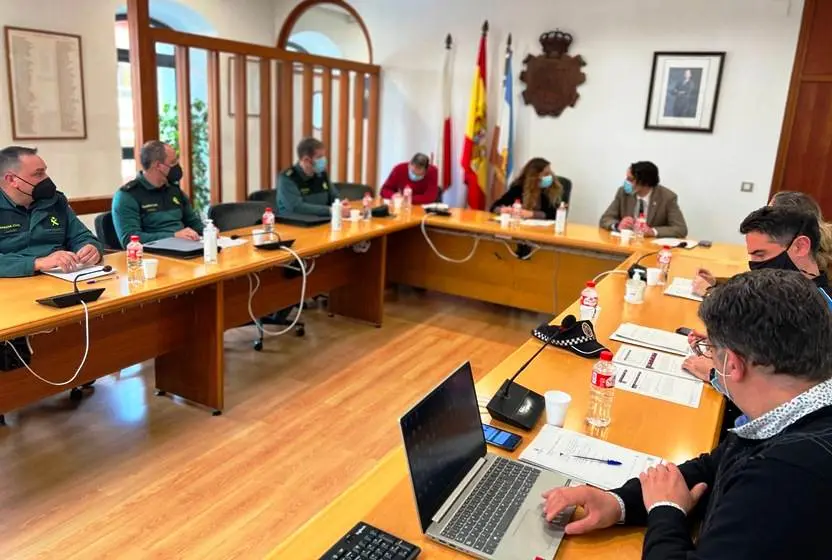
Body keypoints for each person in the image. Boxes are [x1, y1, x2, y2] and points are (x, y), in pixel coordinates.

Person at [543, 269, 832, 559]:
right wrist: (617, 502)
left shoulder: (786, 476)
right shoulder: (794, 412)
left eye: (710, 350)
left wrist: (665, 512)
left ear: (731, 364)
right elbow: (713, 468)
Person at [694, 192, 832, 295]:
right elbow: (757, 286)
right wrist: (716, 283)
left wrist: (709, 292)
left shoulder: (812, 291)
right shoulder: (796, 265)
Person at [0, 146, 101, 277]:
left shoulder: (55, 201)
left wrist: (90, 248)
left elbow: (81, 236)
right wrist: (37, 263)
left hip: (62, 279)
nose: (46, 179)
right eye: (38, 174)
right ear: (12, 180)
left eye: (45, 172)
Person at [112, 141, 203, 248]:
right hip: (153, 256)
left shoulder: (174, 190)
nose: (177, 166)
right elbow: (129, 239)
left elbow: (193, 222)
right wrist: (173, 236)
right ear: (159, 166)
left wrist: (209, 231)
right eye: (173, 162)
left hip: (186, 248)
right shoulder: (127, 196)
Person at [599, 161, 687, 238]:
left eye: (630, 179)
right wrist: (617, 225)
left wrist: (652, 232)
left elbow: (681, 229)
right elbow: (605, 219)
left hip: (651, 248)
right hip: (626, 243)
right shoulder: (623, 193)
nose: (626, 182)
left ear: (644, 182)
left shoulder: (667, 197)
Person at [277, 137, 341, 217]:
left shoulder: (321, 174)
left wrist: (340, 204)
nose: (323, 160)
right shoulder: (288, 178)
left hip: (321, 222)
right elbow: (297, 207)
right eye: (319, 157)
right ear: (306, 160)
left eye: (323, 156)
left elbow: (334, 196)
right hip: (295, 225)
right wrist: (330, 210)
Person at [490, 157, 565, 220]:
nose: (550, 176)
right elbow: (494, 207)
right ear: (534, 176)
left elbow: (555, 215)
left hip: (544, 232)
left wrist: (532, 214)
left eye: (550, 173)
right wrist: (502, 210)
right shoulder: (518, 188)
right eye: (546, 174)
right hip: (521, 228)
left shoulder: (551, 189)